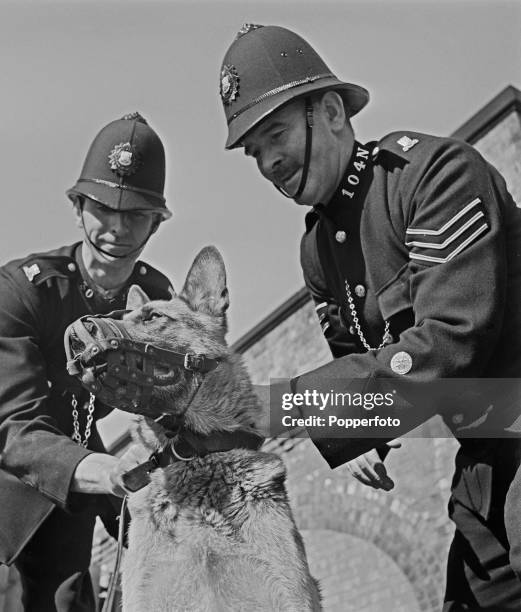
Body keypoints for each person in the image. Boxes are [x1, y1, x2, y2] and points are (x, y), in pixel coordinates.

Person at [219, 24, 521, 611]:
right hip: (484, 469)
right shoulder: (318, 250)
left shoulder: (436, 175)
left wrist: (286, 405)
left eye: (275, 133)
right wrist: (357, 432)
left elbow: (448, 345)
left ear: (330, 111)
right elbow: (360, 362)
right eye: (254, 152)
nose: (268, 162)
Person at [0, 113, 173, 611]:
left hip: (64, 493)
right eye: (102, 207)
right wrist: (104, 471)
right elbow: (10, 427)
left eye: (137, 214)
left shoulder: (155, 301)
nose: (117, 228)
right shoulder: (18, 291)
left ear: (157, 223)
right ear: (77, 207)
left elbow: (157, 409)